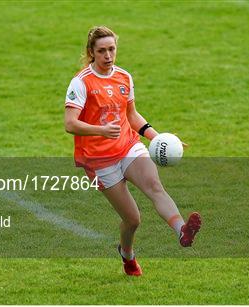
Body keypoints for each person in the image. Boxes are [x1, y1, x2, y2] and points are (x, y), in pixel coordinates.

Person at [64, 26, 201, 276]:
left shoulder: (124, 77)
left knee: (155, 187)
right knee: (133, 219)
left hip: (128, 146)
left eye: (112, 49)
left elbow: (131, 115)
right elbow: (70, 123)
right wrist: (101, 130)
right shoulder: (81, 82)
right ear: (91, 53)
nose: (108, 55)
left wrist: (160, 139)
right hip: (99, 160)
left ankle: (182, 231)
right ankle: (127, 255)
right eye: (102, 51)